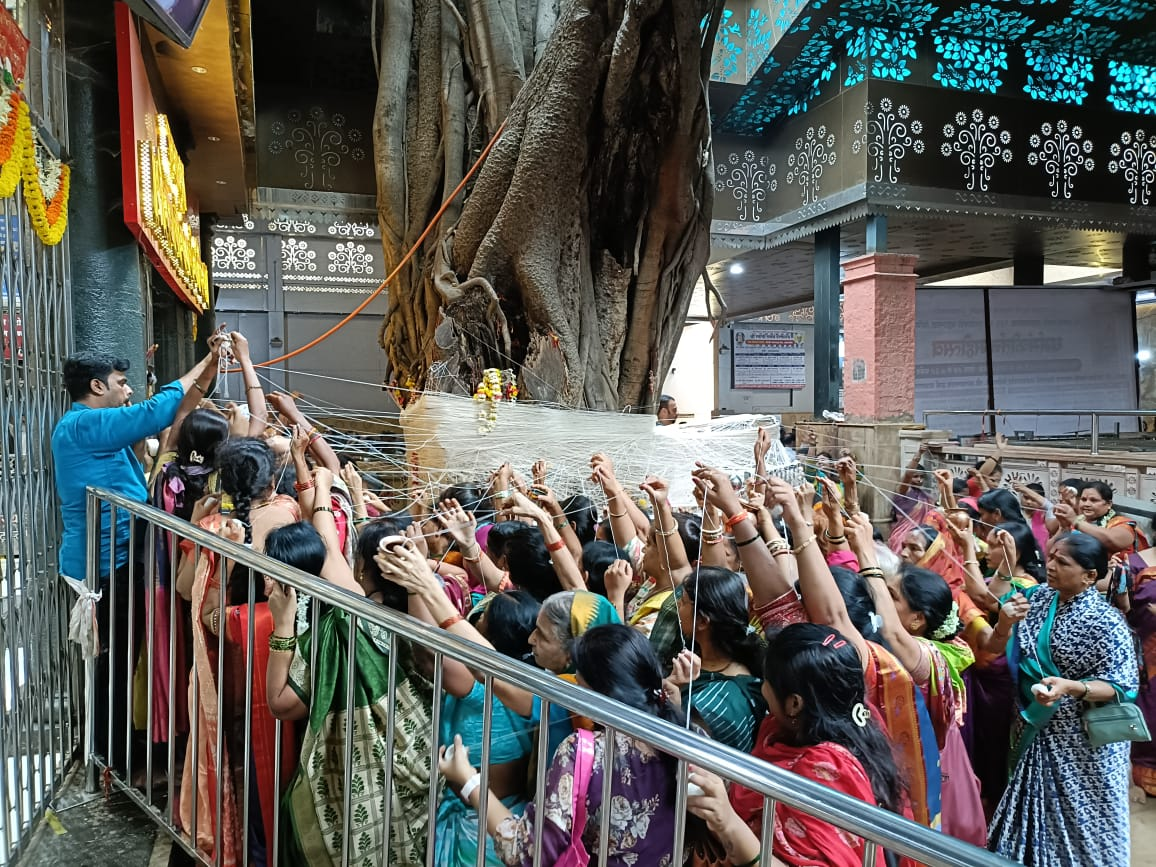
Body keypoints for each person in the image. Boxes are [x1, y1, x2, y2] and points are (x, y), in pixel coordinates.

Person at [52, 340, 221, 772]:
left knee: (121, 662)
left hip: (118, 559)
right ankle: (111, 759)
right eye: (122, 383)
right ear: (96, 386)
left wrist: (210, 369)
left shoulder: (91, 427)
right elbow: (155, 413)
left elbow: (174, 411)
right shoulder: (82, 426)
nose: (128, 391)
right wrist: (201, 361)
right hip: (102, 567)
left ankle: (116, 754)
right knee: (114, 665)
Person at [439, 624, 683, 866]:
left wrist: (469, 780)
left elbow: (526, 852)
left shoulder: (583, 754)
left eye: (579, 684)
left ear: (599, 693)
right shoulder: (688, 739)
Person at [697, 623, 906, 867]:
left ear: (794, 704)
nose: (763, 689)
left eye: (767, 681)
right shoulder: (842, 719)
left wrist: (729, 824)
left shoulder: (824, 772)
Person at [987, 534, 1140, 866]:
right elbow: (993, 621)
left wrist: (1071, 687)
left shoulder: (1107, 623)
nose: (1051, 567)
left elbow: (1123, 687)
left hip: (1083, 746)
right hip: (1036, 731)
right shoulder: (1039, 599)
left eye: (1062, 562)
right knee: (1032, 812)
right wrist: (1003, 622)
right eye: (1051, 558)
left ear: (1089, 576)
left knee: (1086, 824)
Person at [435, 592, 541, 867]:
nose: (477, 616)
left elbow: (430, 656)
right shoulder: (537, 684)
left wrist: (421, 586)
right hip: (508, 813)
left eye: (483, 615)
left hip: (483, 820)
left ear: (492, 635)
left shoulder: (478, 685)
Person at [662, 567, 767, 752]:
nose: (677, 604)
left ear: (703, 622)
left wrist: (672, 705)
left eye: (684, 601)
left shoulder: (715, 706)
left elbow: (685, 751)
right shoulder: (701, 653)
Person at [1054, 480, 1148, 556]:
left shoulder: (1122, 524)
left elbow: (1112, 540)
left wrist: (1075, 521)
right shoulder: (1078, 521)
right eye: (1083, 499)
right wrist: (1063, 528)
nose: (1087, 504)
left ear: (1108, 504)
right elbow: (1051, 551)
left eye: (1093, 500)